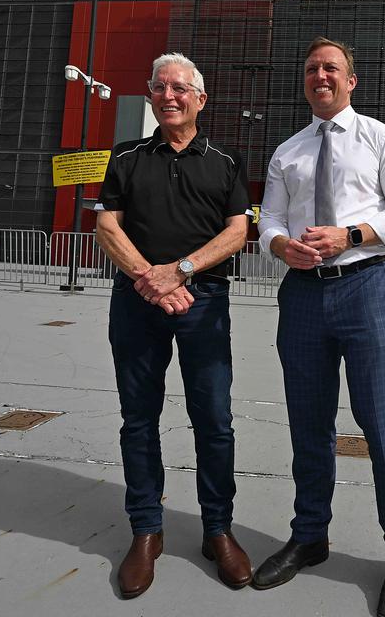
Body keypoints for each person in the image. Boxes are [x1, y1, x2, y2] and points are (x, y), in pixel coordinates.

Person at [255, 38, 385, 617]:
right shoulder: (288, 152)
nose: (320, 76)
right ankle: (310, 536)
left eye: (331, 68)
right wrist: (282, 245)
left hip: (364, 288)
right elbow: (269, 219)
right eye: (311, 69)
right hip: (302, 294)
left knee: (382, 422)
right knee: (308, 422)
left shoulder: (381, 138)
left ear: (352, 81)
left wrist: (349, 236)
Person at [95, 52, 253, 598]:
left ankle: (217, 529)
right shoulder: (127, 156)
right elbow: (106, 225)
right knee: (138, 419)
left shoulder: (227, 162)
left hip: (204, 301)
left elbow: (237, 232)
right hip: (137, 301)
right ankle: (146, 530)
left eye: (180, 88)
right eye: (160, 86)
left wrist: (180, 272)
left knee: (214, 419)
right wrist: (149, 280)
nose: (169, 96)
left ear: (199, 99)